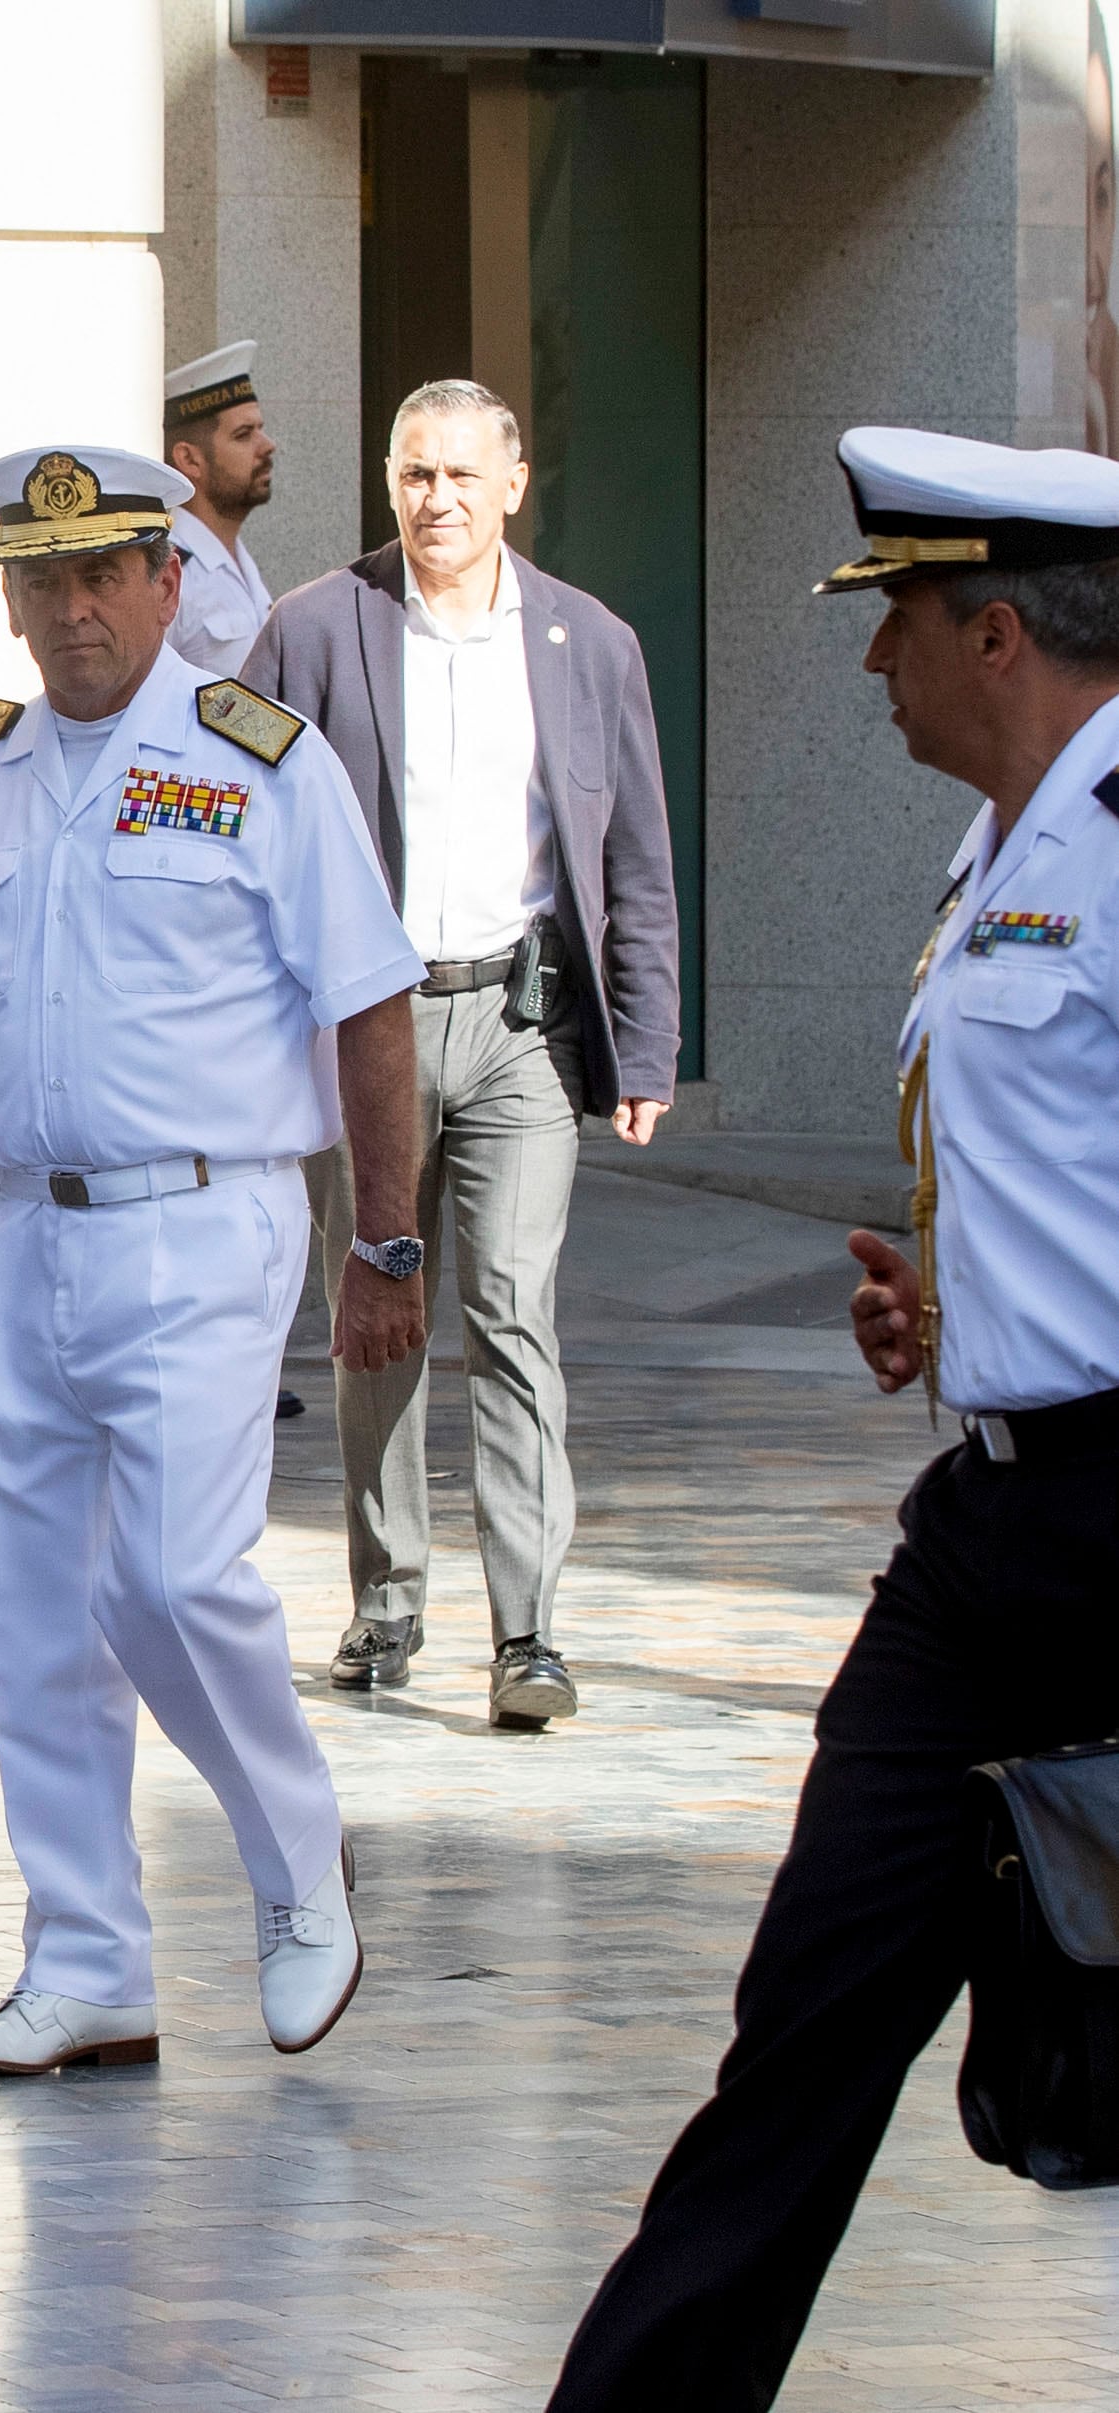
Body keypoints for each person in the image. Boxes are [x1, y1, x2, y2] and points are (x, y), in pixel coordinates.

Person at [548, 429, 1119, 2409]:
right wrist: (968, 1310)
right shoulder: (1002, 846)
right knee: (810, 2013)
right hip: (989, 1538)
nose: (866, 667)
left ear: (994, 631)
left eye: (891, 623)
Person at [0, 440, 426, 2083]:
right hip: (19, 1229)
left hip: (199, 1212)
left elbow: (364, 1004)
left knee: (168, 1579)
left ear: (167, 582)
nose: (69, 606)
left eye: (99, 571)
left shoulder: (259, 764)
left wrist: (379, 1235)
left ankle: (296, 1858)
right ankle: (83, 1956)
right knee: (39, 1620)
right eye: (37, 578)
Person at [242, 378, 682, 1729]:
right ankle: (385, 1603)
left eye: (458, 477)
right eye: (410, 474)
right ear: (386, 484)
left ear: (512, 485)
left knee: (507, 1315)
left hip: (515, 1027)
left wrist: (646, 1038)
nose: (434, 500)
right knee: (376, 1313)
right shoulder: (313, 629)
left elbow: (633, 857)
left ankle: (527, 1634)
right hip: (359, 1029)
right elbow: (229, 829)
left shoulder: (584, 642)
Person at [162, 342, 277, 680]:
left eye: (260, 428)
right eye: (244, 435)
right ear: (189, 460)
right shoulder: (169, 570)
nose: (268, 445)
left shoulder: (236, 557)